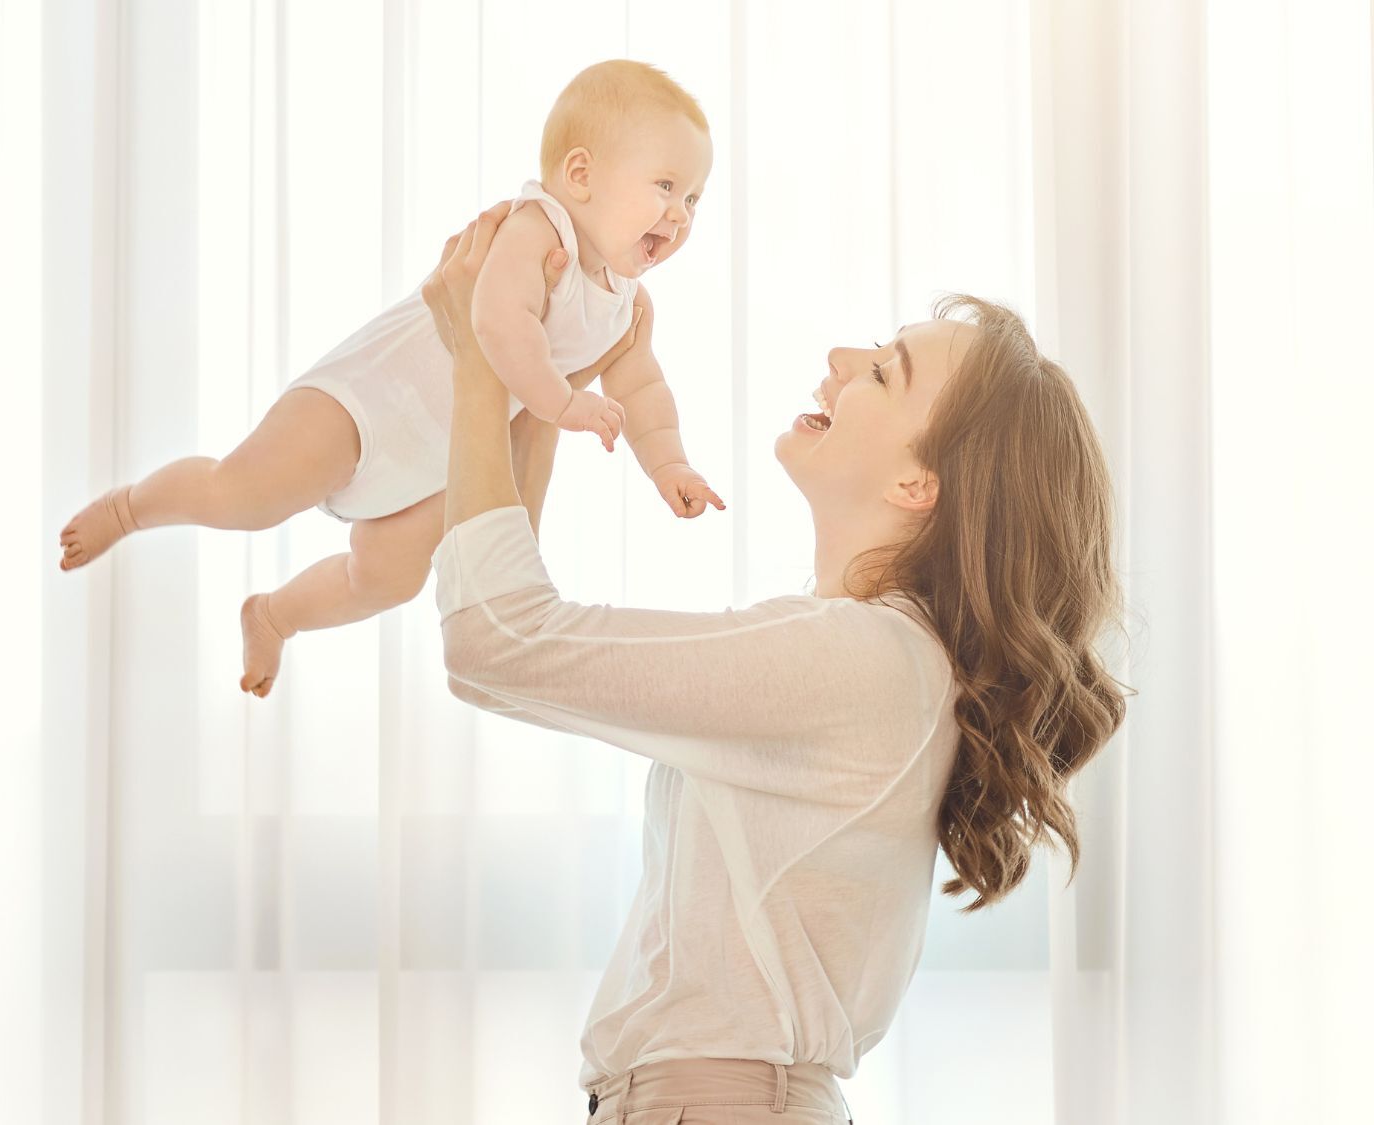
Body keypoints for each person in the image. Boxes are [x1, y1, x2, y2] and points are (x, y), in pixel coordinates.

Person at [420, 203, 1128, 1124]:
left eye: (881, 371)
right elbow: (515, 633)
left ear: (919, 484)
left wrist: (484, 367)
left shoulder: (863, 663)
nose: (840, 360)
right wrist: (537, 387)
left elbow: (496, 640)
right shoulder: (879, 663)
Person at [57, 60, 721, 699]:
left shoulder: (628, 304)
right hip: (367, 404)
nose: (682, 214)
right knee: (244, 496)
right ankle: (129, 507)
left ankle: (275, 615)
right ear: (580, 174)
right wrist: (565, 402)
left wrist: (671, 466)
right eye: (665, 187)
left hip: (436, 463)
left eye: (693, 197)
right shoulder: (537, 229)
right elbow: (496, 323)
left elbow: (643, 391)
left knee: (387, 577)